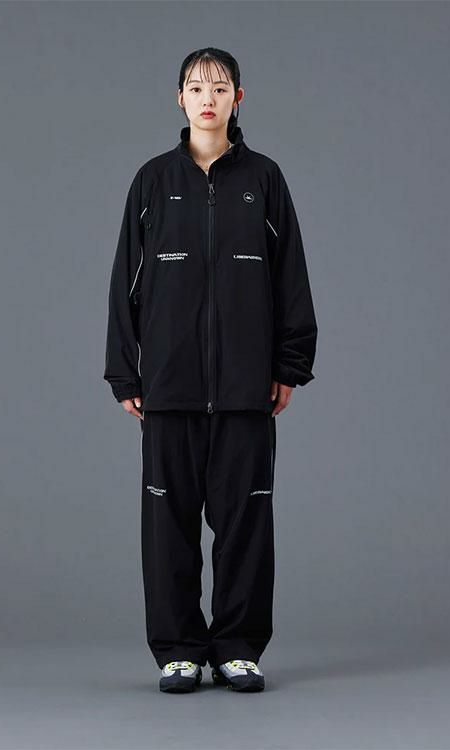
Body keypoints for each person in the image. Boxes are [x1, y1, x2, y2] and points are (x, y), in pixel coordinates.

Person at [104, 47, 318, 693]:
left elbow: (291, 278)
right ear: (179, 98)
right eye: (196, 87)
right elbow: (125, 284)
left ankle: (237, 648)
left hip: (245, 390)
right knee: (167, 527)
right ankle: (178, 651)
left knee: (246, 524)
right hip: (169, 389)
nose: (207, 98)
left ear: (238, 99)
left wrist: (289, 365)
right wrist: (125, 373)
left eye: (220, 87)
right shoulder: (152, 181)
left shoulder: (265, 179)